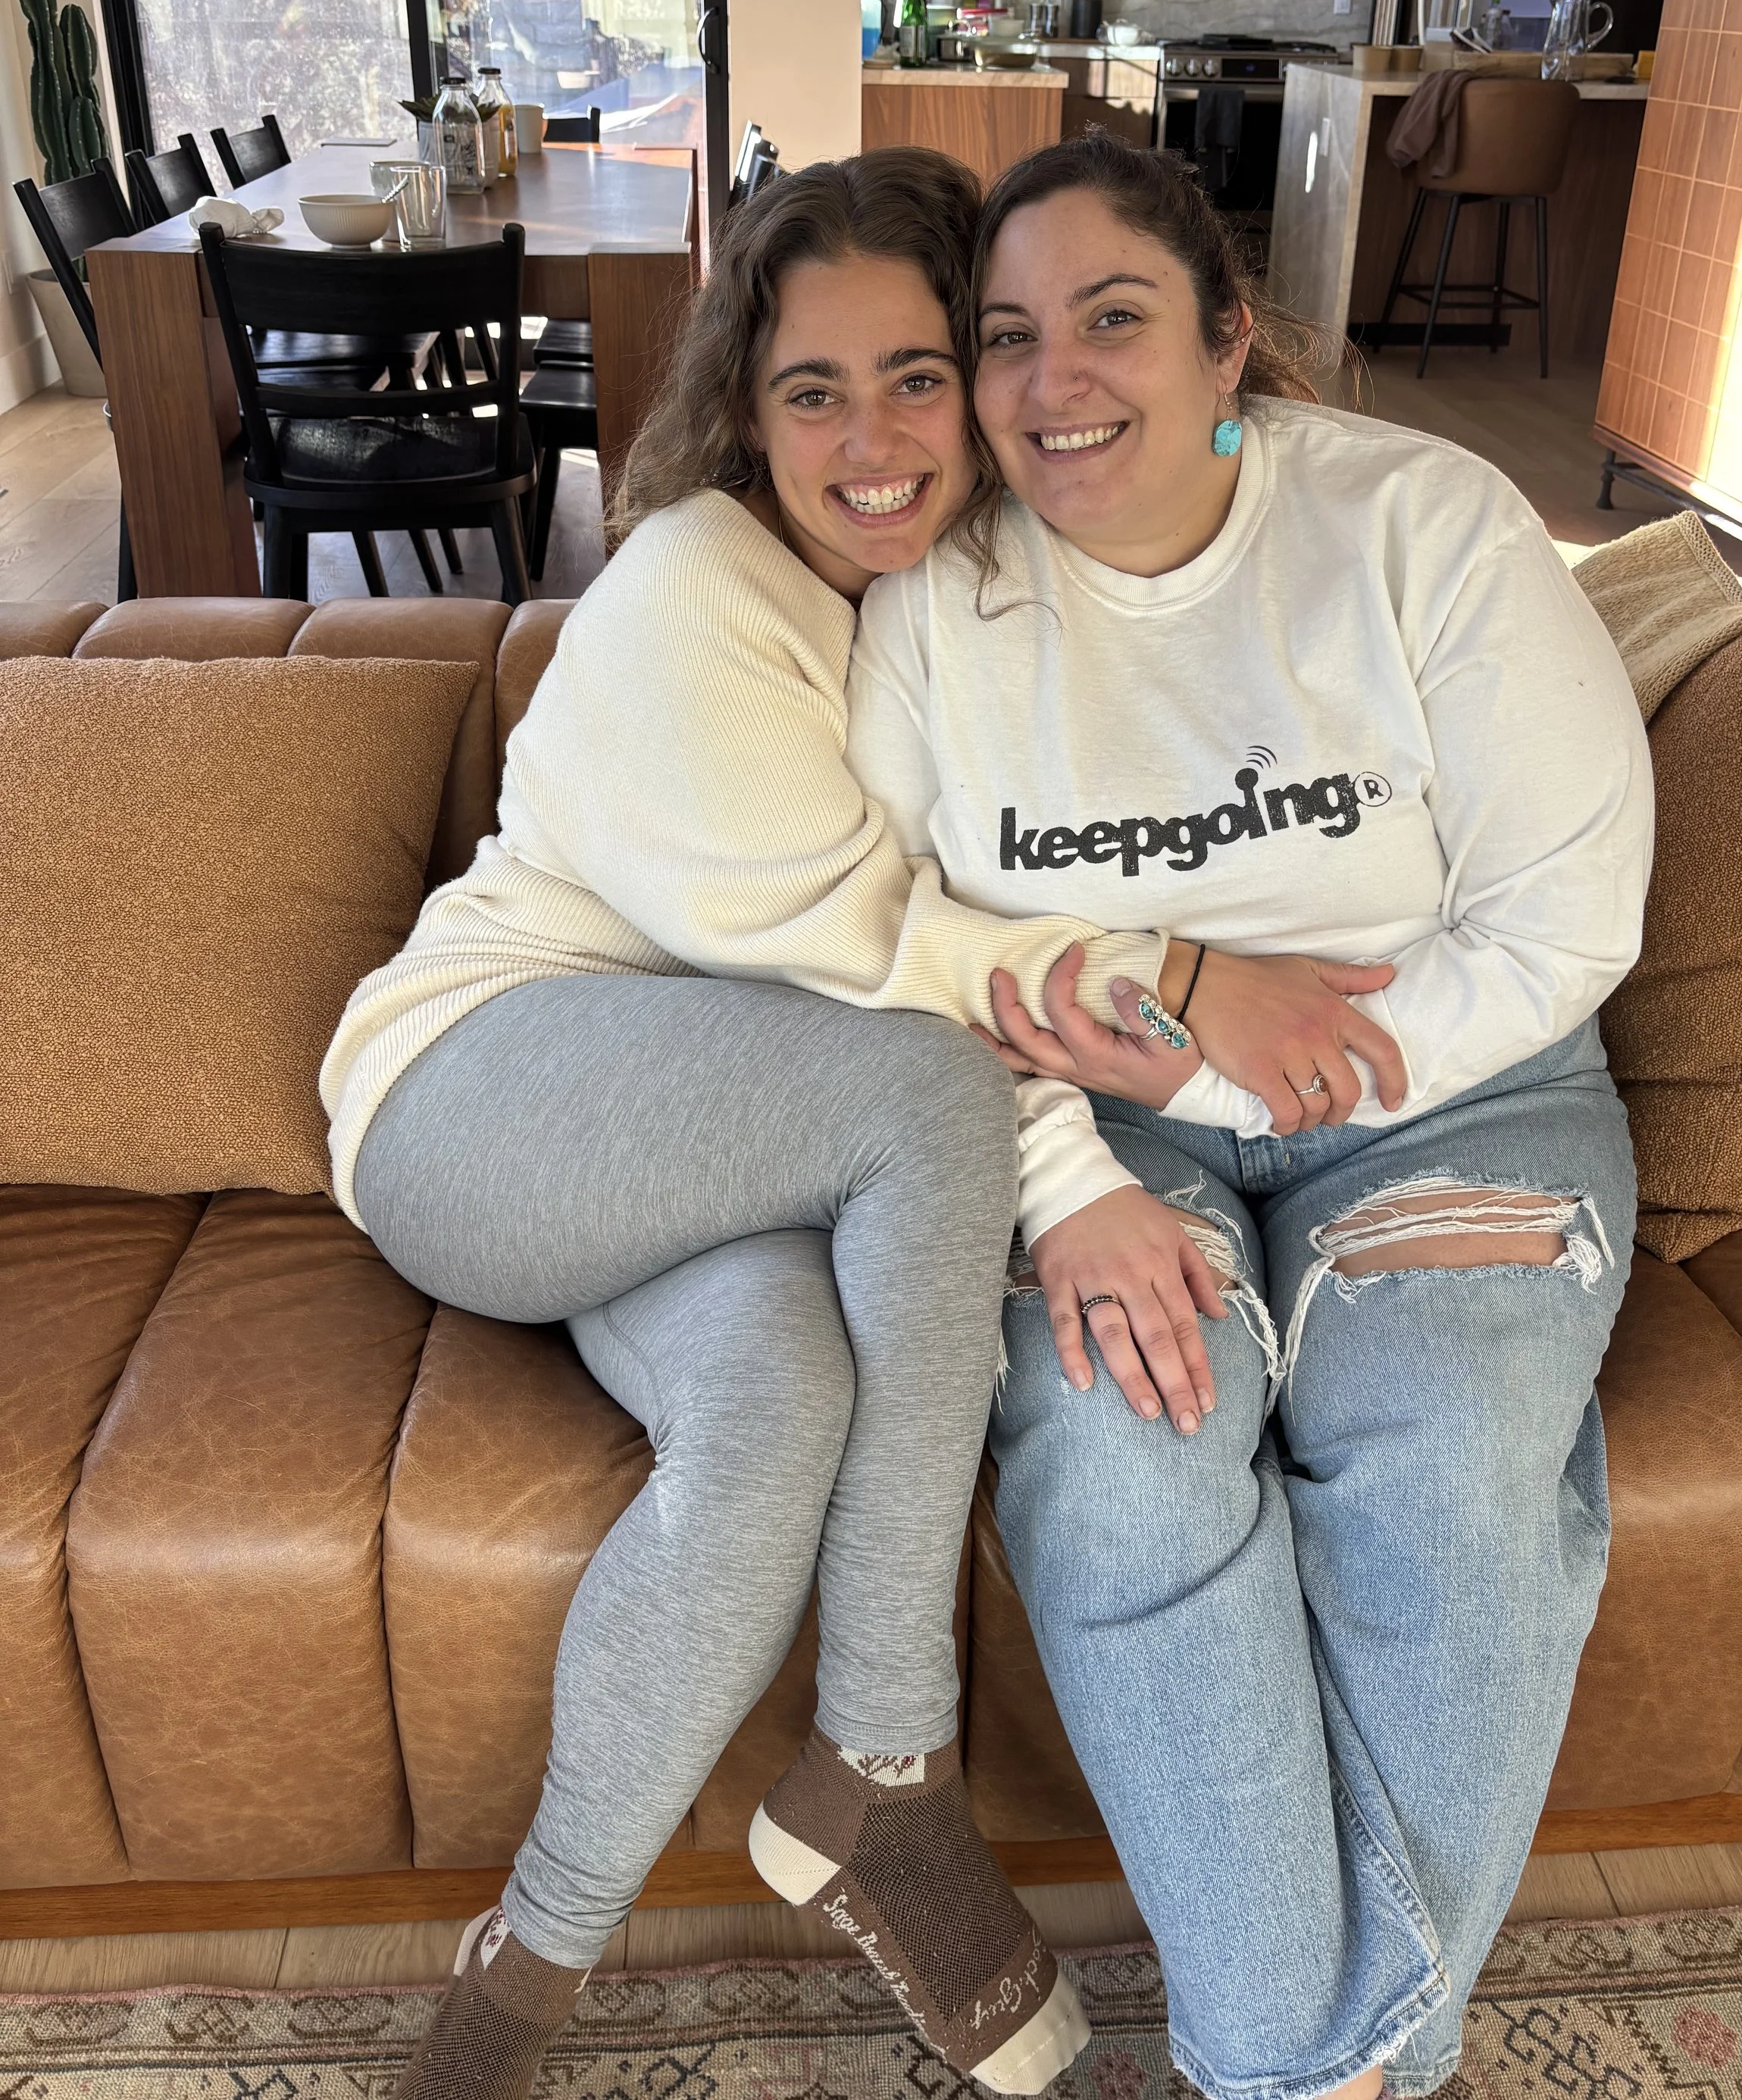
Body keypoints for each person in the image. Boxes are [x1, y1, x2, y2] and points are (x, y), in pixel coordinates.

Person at [322, 148, 1330, 2100]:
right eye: (810, 390)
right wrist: (1184, 978)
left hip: (713, 1136)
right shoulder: (706, 589)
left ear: (987, 377)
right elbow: (864, 948)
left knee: (777, 1413)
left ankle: (530, 1964)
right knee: (927, 1082)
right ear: (741, 407)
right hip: (487, 1084)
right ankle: (888, 1768)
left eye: (919, 374)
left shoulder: (947, 598)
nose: (869, 437)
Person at [843, 130, 1653, 2100]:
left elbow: (1567, 916)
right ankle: (1329, 2068)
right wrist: (1115, 1116)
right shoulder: (931, 607)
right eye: (1005, 335)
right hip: (1083, 1119)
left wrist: (1212, 1058)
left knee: (1452, 1459)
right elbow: (890, 938)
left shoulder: (1418, 522)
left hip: (1450, 1078)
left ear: (1230, 346)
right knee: (1126, 1451)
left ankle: (1278, 2070)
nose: (1055, 379)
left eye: (1113, 317)